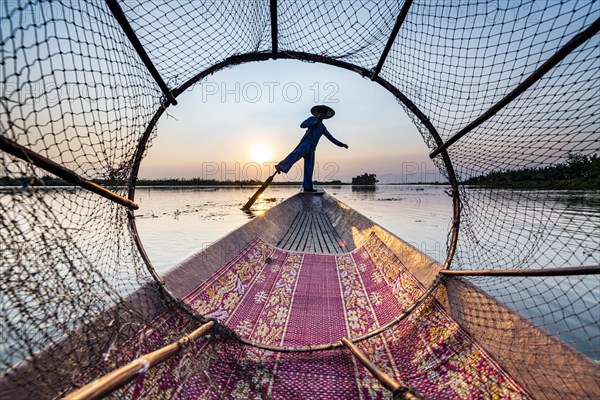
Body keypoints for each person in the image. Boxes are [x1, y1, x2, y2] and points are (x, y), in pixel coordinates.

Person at [276, 105, 348, 192]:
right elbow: (302, 125)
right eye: (321, 112)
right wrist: (313, 123)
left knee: (309, 167)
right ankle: (281, 166)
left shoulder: (322, 127)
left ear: (325, 115)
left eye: (323, 113)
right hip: (306, 143)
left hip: (312, 148)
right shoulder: (312, 119)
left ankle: (308, 187)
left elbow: (331, 138)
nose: (322, 114)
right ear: (318, 113)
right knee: (296, 154)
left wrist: (341, 144)